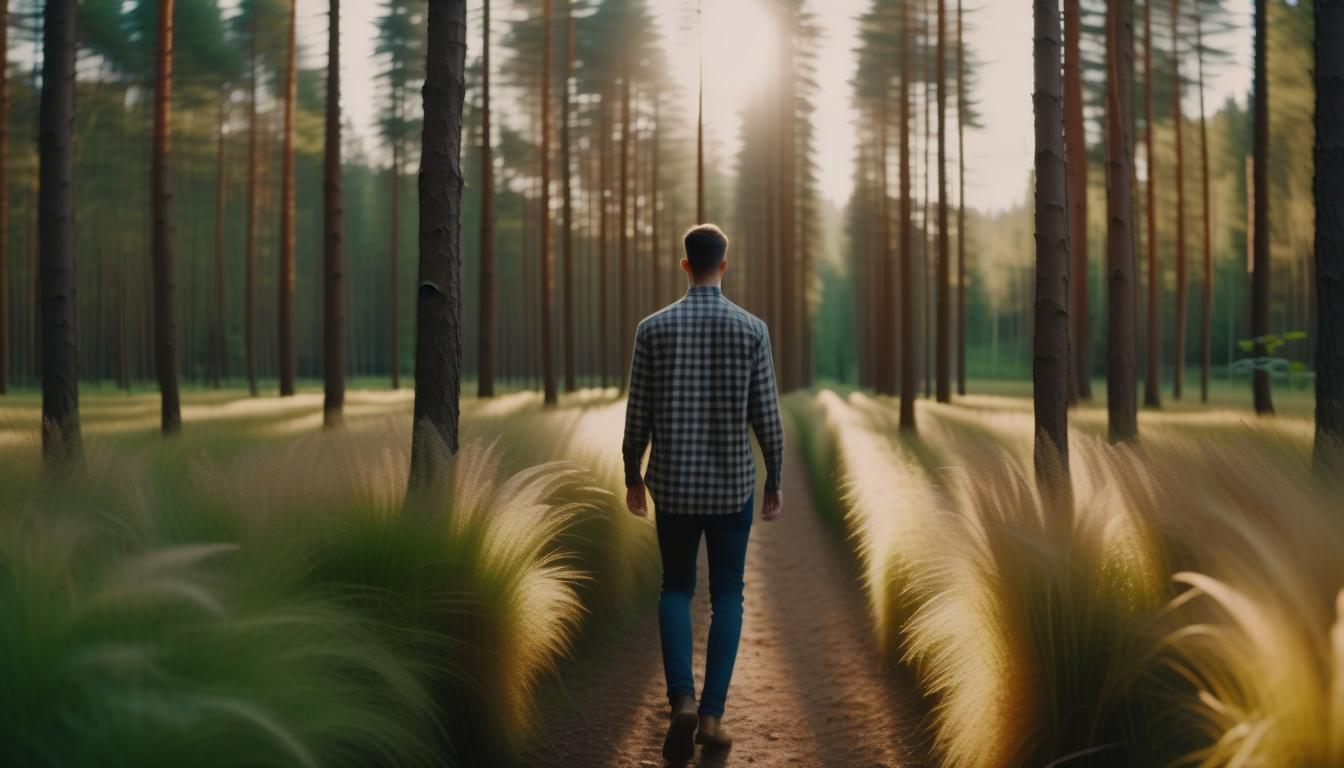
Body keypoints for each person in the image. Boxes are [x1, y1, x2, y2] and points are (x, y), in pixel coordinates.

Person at [622, 223, 784, 762]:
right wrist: (774, 481)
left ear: (685, 266)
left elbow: (637, 412)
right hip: (731, 487)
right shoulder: (752, 330)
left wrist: (633, 473)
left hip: (673, 487)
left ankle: (682, 703)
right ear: (725, 264)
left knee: (675, 588)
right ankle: (712, 717)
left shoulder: (653, 329)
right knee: (728, 595)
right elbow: (768, 417)